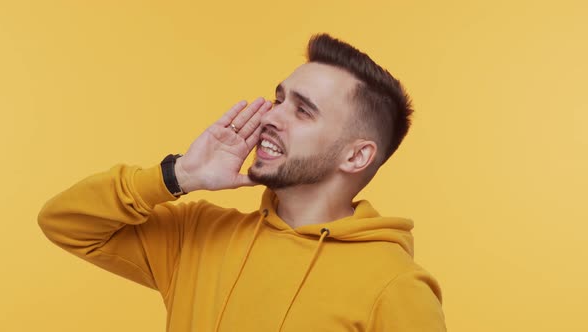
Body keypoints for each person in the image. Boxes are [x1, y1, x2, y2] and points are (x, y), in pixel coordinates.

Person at [38, 33, 447, 331]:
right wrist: (177, 176)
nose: (270, 117)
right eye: (279, 99)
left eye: (302, 111)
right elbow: (65, 223)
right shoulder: (198, 234)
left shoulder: (396, 287)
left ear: (356, 155)